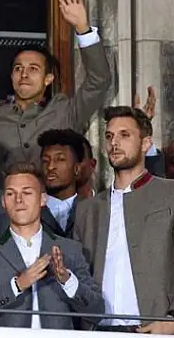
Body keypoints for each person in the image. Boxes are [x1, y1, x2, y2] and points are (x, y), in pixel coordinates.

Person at [0, 162, 104, 329]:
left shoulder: (69, 249)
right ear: (3, 202)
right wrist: (17, 285)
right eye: (11, 193)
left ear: (43, 199)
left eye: (27, 192)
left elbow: (97, 311)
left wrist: (68, 280)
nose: (19, 200)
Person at [74, 106, 174, 333]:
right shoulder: (87, 210)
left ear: (146, 143)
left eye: (124, 135)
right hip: (97, 329)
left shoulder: (169, 194)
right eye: (109, 136)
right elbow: (80, 277)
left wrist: (171, 323)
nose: (114, 143)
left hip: (154, 327)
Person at [0, 0, 112, 168]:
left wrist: (82, 29)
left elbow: (99, 80)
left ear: (48, 79)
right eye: (18, 68)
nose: (24, 74)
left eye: (33, 69)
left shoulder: (66, 112)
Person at [38, 129, 87, 237]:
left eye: (60, 159)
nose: (50, 167)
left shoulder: (92, 210)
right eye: (45, 160)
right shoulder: (30, 210)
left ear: (77, 168)